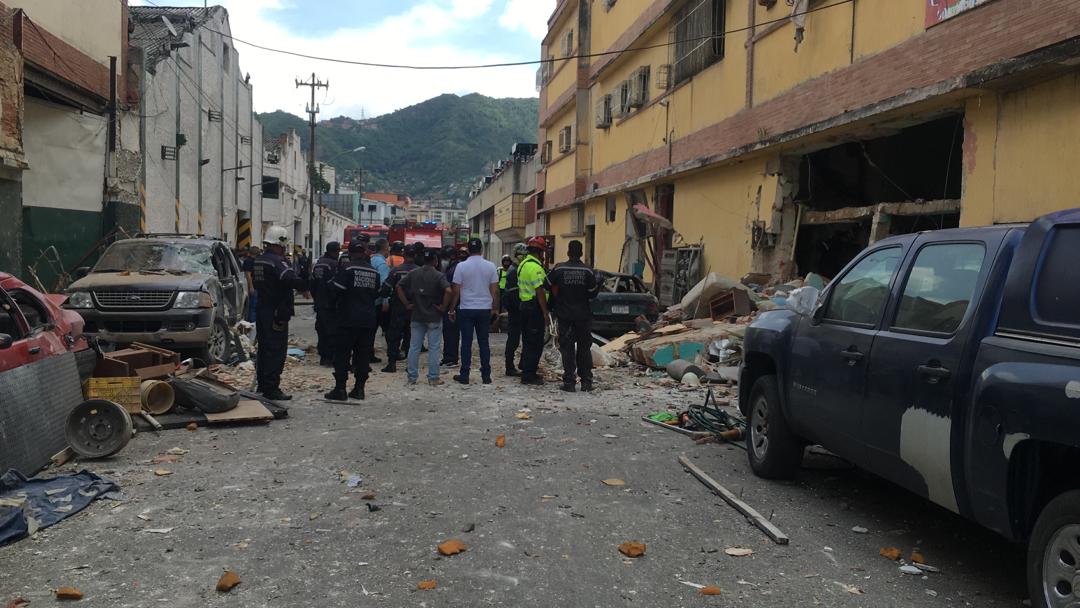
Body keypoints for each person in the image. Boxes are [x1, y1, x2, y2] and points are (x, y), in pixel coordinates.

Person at [252, 226, 310, 401]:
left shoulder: (259, 260)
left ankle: (263, 384)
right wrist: (305, 284)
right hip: (276, 311)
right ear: (280, 244)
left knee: (263, 348)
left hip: (262, 309)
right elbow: (289, 279)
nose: (284, 250)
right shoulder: (277, 261)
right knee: (276, 350)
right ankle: (271, 388)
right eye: (283, 247)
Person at [324, 238, 381, 401]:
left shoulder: (346, 269)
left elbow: (335, 290)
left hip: (347, 319)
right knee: (363, 355)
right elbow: (376, 294)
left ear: (349, 253)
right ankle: (359, 389)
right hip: (368, 319)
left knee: (342, 353)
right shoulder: (374, 272)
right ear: (364, 253)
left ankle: (340, 389)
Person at [548, 240, 600, 392]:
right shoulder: (588, 271)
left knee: (567, 349)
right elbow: (591, 294)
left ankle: (569, 382)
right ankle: (586, 382)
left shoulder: (559, 268)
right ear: (581, 253)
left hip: (565, 316)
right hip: (583, 316)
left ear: (568, 252)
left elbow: (547, 285)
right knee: (584, 349)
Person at [397, 248, 453, 386]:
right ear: (435, 261)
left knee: (414, 347)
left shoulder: (413, 273)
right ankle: (433, 377)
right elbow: (448, 290)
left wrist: (406, 304)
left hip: (417, 315)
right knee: (434, 348)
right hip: (434, 316)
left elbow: (398, 286)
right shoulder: (438, 275)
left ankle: (412, 377)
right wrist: (443, 307)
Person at [448, 238, 500, 385]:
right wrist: (495, 309)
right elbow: (495, 291)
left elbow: (456, 290)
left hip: (466, 309)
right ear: (482, 249)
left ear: (469, 250)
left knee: (466, 342)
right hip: (484, 309)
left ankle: (464, 374)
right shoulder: (490, 266)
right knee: (484, 342)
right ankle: (486, 375)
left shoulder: (461, 267)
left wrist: (451, 309)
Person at [379, 243, 420, 372]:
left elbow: (386, 288)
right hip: (415, 308)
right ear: (415, 256)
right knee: (412, 336)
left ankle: (392, 363)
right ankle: (410, 365)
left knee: (394, 335)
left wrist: (384, 296)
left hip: (398, 307)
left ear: (404, 255)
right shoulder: (419, 271)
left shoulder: (396, 270)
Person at [517, 237, 550, 386]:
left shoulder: (523, 265)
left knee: (528, 341)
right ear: (539, 252)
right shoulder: (535, 268)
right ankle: (529, 375)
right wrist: (545, 312)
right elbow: (540, 291)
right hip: (534, 308)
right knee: (535, 343)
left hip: (524, 306)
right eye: (543, 252)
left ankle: (526, 369)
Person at [311, 241, 341, 367]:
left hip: (319, 302)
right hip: (330, 303)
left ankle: (323, 356)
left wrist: (316, 298)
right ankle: (330, 357)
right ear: (335, 252)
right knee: (331, 331)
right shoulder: (333, 264)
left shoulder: (319, 264)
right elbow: (335, 285)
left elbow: (312, 283)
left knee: (321, 329)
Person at [503, 243, 527, 376]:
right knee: (514, 339)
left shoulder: (517, 269)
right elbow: (514, 294)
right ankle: (509, 366)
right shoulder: (514, 271)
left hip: (518, 308)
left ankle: (520, 364)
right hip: (516, 310)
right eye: (522, 255)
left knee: (520, 338)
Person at [369, 239, 391, 365]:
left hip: (371, 300)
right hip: (379, 302)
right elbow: (385, 285)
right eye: (388, 247)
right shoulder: (382, 264)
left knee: (371, 330)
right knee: (388, 330)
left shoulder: (372, 260)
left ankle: (369, 353)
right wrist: (386, 301)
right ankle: (392, 354)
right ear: (384, 248)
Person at [439, 247, 462, 368]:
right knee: (449, 332)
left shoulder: (454, 269)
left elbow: (453, 290)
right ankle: (448, 357)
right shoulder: (453, 267)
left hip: (453, 305)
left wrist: (449, 307)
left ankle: (451, 358)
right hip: (455, 304)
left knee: (451, 332)